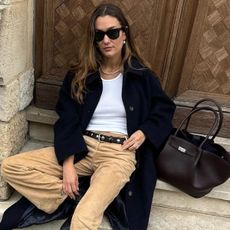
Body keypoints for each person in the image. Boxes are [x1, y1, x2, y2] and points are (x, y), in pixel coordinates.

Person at [1, 3, 176, 230]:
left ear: (124, 34)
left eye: (113, 33)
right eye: (99, 34)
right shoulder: (80, 75)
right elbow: (67, 118)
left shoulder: (142, 76)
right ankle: (63, 197)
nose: (106, 40)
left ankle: (81, 202)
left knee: (83, 220)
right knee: (10, 166)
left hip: (119, 154)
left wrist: (144, 132)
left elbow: (164, 110)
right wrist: (68, 164)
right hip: (82, 146)